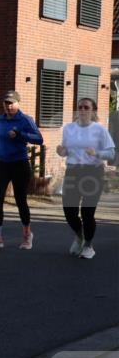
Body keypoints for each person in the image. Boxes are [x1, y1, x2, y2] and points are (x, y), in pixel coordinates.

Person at [56, 98, 115, 260]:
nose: (82, 110)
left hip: (93, 172)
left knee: (87, 212)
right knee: (69, 212)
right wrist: (61, 151)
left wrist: (97, 154)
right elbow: (66, 151)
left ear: (93, 110)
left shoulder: (100, 130)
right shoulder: (69, 129)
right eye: (79, 107)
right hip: (73, 172)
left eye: (86, 107)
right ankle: (80, 236)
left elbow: (111, 153)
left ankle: (88, 246)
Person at [0, 90, 43, 250]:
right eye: (6, 103)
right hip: (2, 164)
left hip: (19, 164)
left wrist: (19, 134)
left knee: (20, 200)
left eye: (11, 103)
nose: (8, 106)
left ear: (18, 103)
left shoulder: (25, 120)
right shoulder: (0, 119)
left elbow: (38, 138)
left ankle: (27, 235)